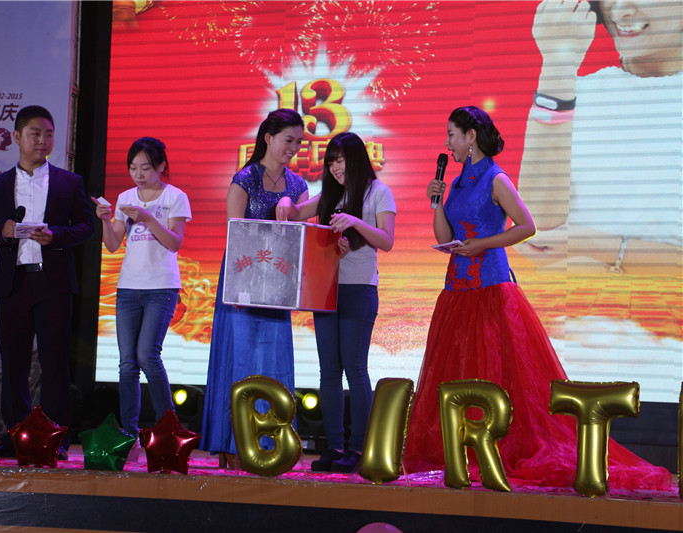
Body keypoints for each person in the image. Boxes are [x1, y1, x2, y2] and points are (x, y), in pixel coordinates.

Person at [402, 106, 671, 489]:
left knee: (497, 371)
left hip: (491, 287)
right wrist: (437, 203)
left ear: (471, 136)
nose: (447, 143)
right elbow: (444, 236)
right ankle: (463, 449)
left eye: (452, 135)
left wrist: (483, 244)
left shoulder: (496, 178)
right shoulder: (457, 181)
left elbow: (527, 226)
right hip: (457, 290)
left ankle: (495, 447)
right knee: (456, 371)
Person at [518, 0, 682, 272]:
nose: (620, 10)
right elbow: (537, 229)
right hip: (577, 294)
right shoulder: (571, 93)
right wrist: (558, 65)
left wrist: (596, 247)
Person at [0, 105, 94, 459]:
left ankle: (56, 438)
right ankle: (16, 436)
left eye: (48, 134)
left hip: (53, 283)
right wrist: (4, 231)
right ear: (17, 137)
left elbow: (85, 227)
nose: (43, 141)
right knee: (13, 363)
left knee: (54, 362)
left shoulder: (68, 182)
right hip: (13, 283)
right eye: (35, 134)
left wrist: (56, 235)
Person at [275, 132, 396, 473]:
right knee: (329, 371)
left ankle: (358, 448)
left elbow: (386, 240)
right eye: (331, 162)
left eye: (340, 161)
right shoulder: (329, 194)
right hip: (326, 289)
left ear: (356, 159)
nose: (335, 168)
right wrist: (285, 201)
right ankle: (333, 446)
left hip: (359, 289)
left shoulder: (378, 192)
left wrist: (355, 221)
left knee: (355, 368)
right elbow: (296, 213)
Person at [201, 109, 309, 466]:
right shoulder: (244, 179)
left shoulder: (298, 186)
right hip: (243, 281)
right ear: (268, 138)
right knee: (241, 358)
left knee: (274, 360)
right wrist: (236, 287)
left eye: (298, 142)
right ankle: (233, 445)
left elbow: (302, 238)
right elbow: (236, 234)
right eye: (288, 140)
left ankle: (271, 445)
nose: (293, 148)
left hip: (278, 284)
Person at [91, 137, 191, 437]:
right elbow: (112, 245)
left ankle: (168, 427)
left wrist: (148, 218)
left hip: (162, 287)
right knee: (127, 363)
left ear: (161, 166)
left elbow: (174, 242)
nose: (139, 174)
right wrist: (106, 220)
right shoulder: (125, 198)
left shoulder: (175, 196)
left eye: (145, 168)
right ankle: (130, 432)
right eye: (133, 168)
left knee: (148, 354)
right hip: (128, 289)